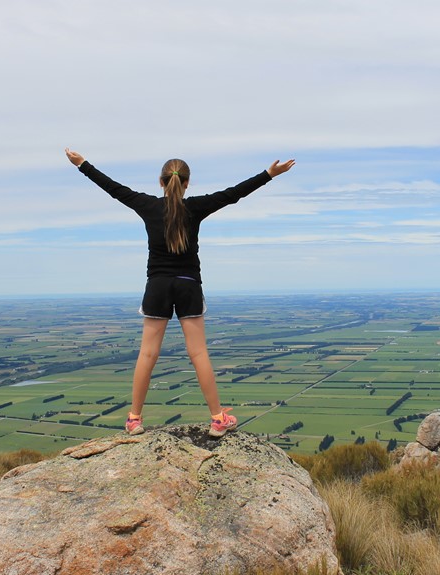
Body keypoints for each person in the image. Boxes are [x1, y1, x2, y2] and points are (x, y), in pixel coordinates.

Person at [65, 148, 295, 437]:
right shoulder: (196, 207)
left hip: (157, 286)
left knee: (147, 354)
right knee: (198, 353)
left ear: (161, 182)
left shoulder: (146, 205)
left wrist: (82, 164)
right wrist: (268, 175)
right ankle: (218, 418)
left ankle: (134, 419)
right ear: (187, 183)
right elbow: (233, 193)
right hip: (188, 284)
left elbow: (113, 188)